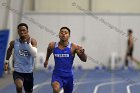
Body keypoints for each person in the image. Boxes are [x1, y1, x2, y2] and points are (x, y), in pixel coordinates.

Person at [44, 27, 87, 93]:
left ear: (69, 36)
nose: (63, 34)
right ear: (59, 35)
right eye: (61, 32)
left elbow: (84, 59)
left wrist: (83, 54)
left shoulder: (73, 47)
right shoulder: (52, 45)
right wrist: (46, 60)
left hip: (68, 76)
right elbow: (49, 50)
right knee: (56, 89)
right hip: (57, 75)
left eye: (66, 33)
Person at [5, 23, 37, 93]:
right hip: (18, 71)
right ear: (18, 31)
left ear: (27, 31)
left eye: (24, 30)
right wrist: (6, 62)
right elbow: (9, 50)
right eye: (20, 30)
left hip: (28, 72)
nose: (22, 32)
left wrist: (28, 44)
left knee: (28, 91)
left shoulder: (32, 41)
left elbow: (34, 54)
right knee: (19, 86)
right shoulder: (14, 43)